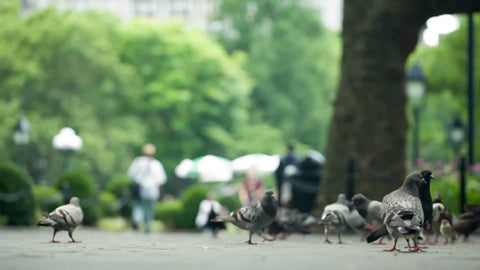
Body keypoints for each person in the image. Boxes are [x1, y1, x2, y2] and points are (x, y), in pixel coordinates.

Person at [128, 144, 167, 233]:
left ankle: (137, 220)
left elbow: (131, 174)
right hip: (152, 190)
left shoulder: (138, 162)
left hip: (140, 188)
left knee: (138, 206)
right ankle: (147, 225)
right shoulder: (156, 164)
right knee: (149, 208)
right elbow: (161, 179)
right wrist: (161, 192)